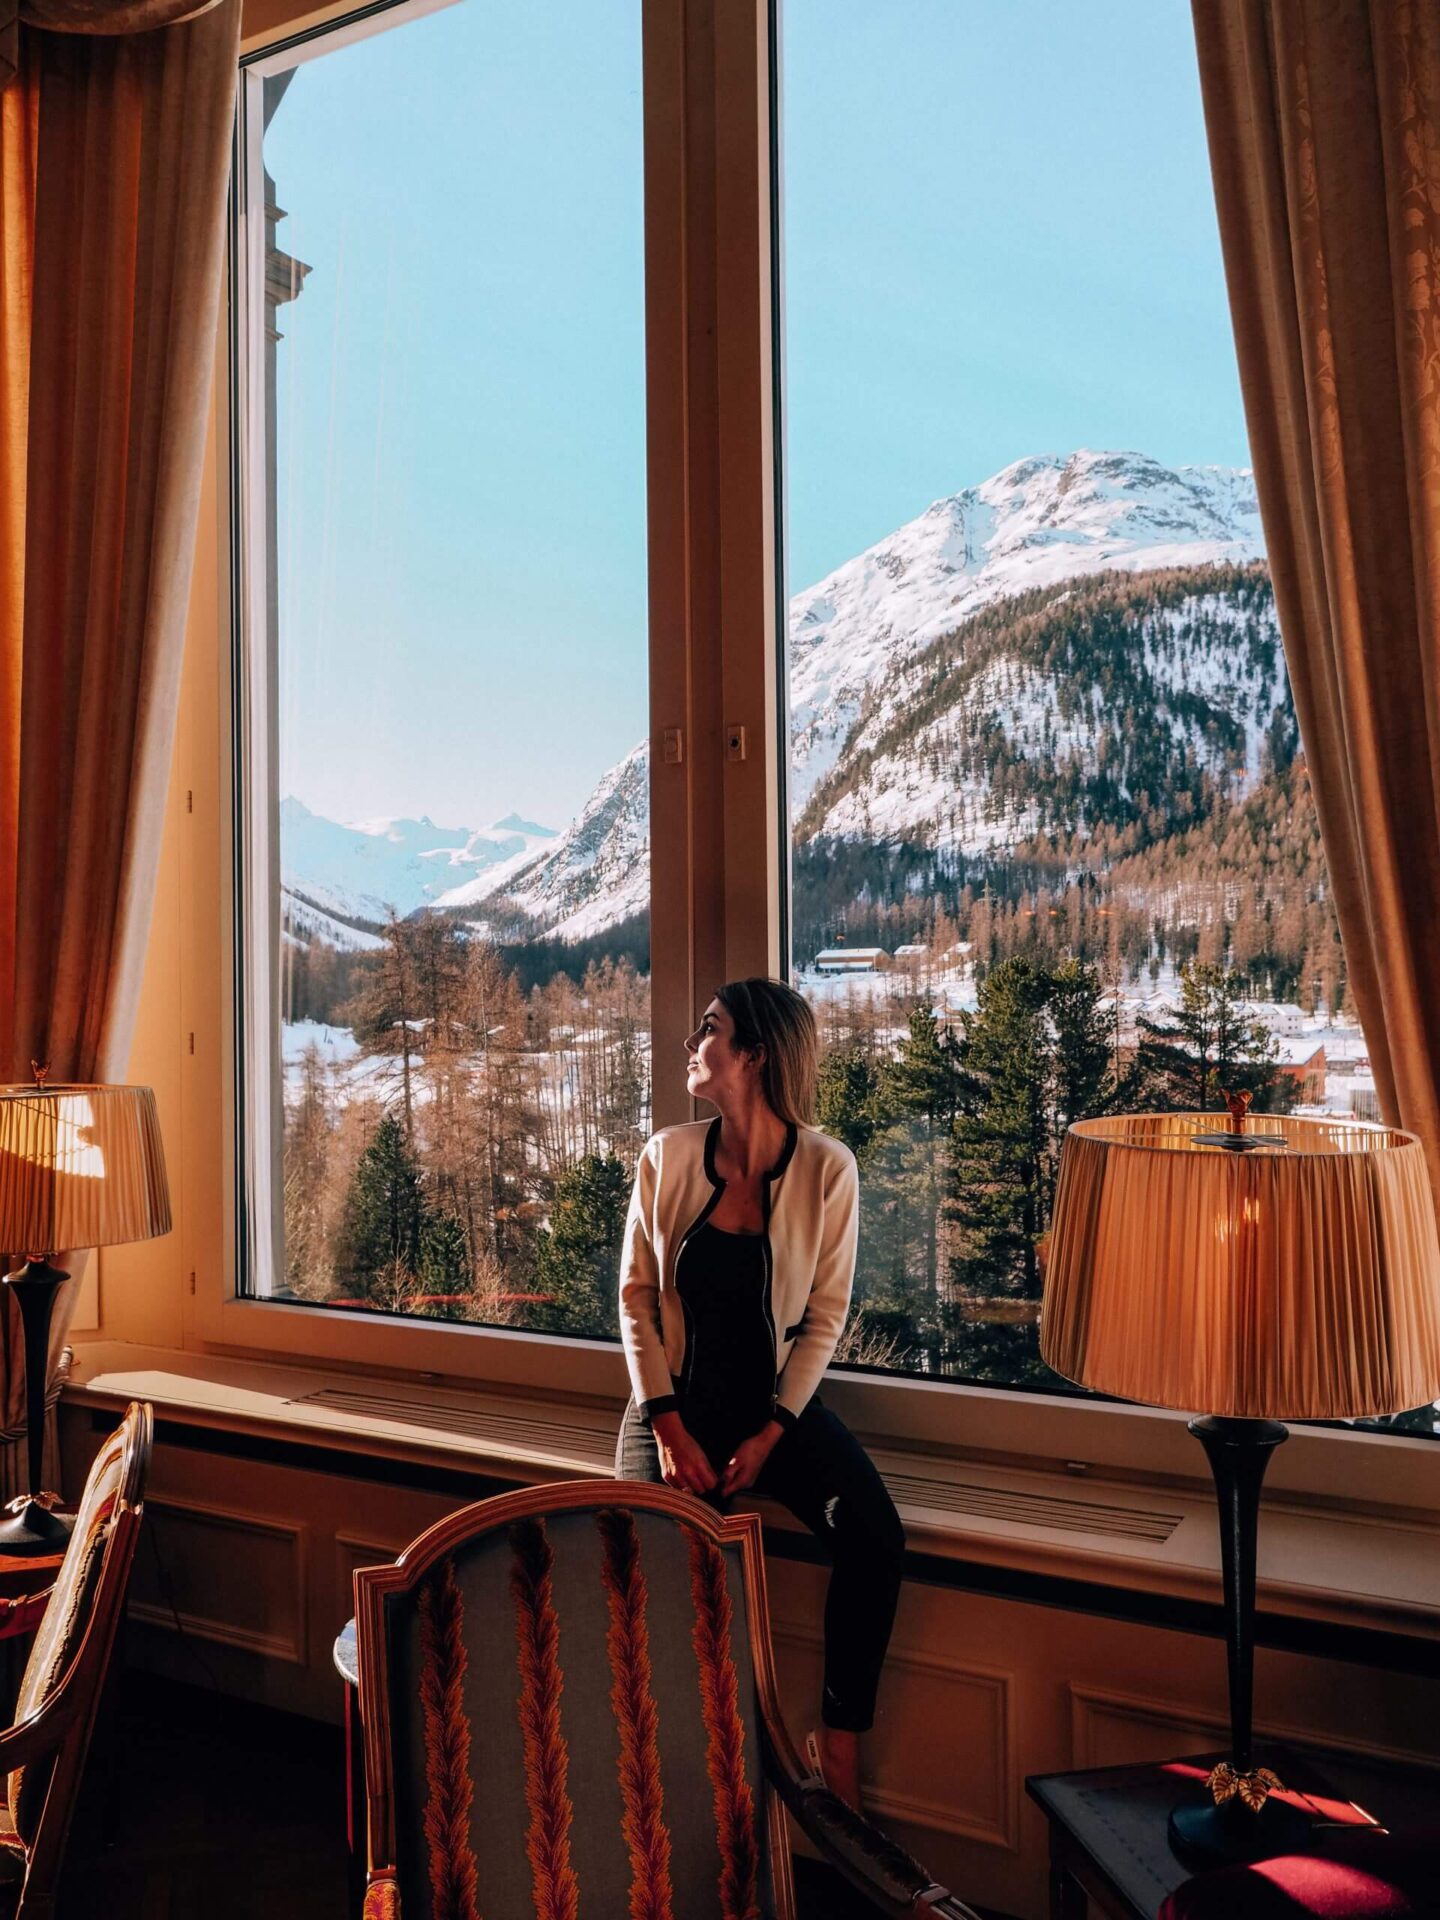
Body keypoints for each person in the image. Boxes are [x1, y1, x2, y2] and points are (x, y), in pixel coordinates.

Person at [615, 976, 905, 1811]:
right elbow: (636, 1299)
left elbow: (824, 1316)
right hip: (670, 1407)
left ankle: (837, 1746)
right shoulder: (668, 1157)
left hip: (773, 1414)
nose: (691, 1042)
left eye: (709, 1029)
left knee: (877, 1541)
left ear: (754, 1055)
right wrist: (667, 1429)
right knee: (636, 1558)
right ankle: (670, 1770)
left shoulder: (826, 1169)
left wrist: (775, 1433)